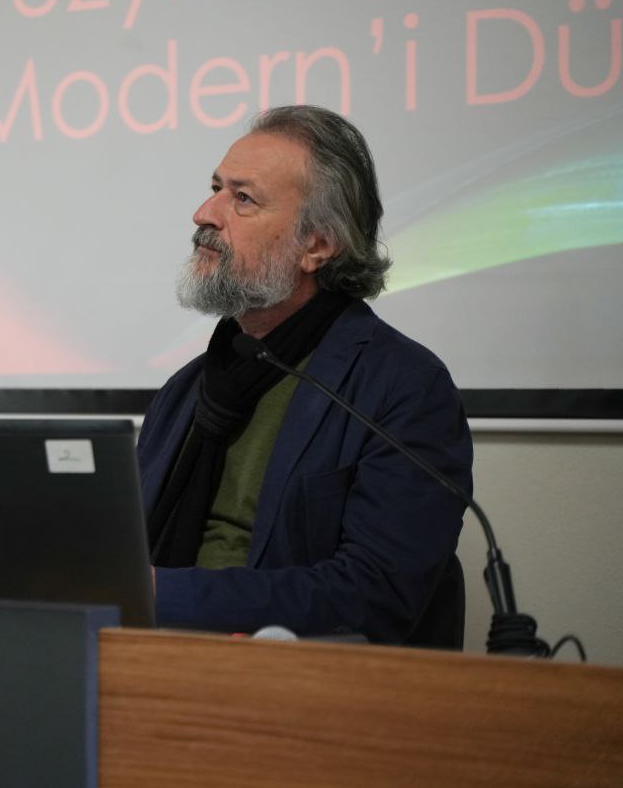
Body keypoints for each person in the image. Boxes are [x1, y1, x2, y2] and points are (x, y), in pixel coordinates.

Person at [140, 105, 472, 644]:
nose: (204, 214)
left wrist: (167, 595)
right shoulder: (185, 390)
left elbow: (374, 593)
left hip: (298, 672)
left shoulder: (403, 387)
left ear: (316, 245)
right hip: (154, 655)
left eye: (242, 199)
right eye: (216, 188)